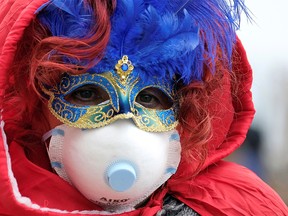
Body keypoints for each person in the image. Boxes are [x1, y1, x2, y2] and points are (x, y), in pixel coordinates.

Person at [0, 0, 287, 215]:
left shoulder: (229, 205)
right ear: (38, 105)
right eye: (87, 93)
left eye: (149, 98)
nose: (123, 122)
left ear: (182, 109)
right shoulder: (10, 193)